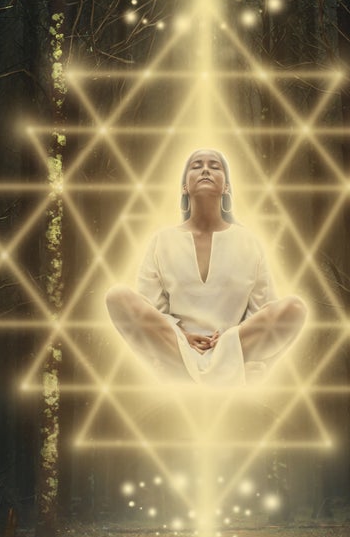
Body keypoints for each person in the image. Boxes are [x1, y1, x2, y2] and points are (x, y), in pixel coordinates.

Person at [104, 147, 306, 387]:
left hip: (234, 346)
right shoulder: (162, 240)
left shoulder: (249, 241)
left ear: (226, 187)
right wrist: (183, 337)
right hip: (177, 347)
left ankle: (199, 374)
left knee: (295, 308)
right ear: (185, 187)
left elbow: (261, 310)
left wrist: (230, 337)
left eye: (215, 166)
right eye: (196, 166)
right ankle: (207, 373)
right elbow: (151, 308)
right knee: (117, 296)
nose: (206, 170)